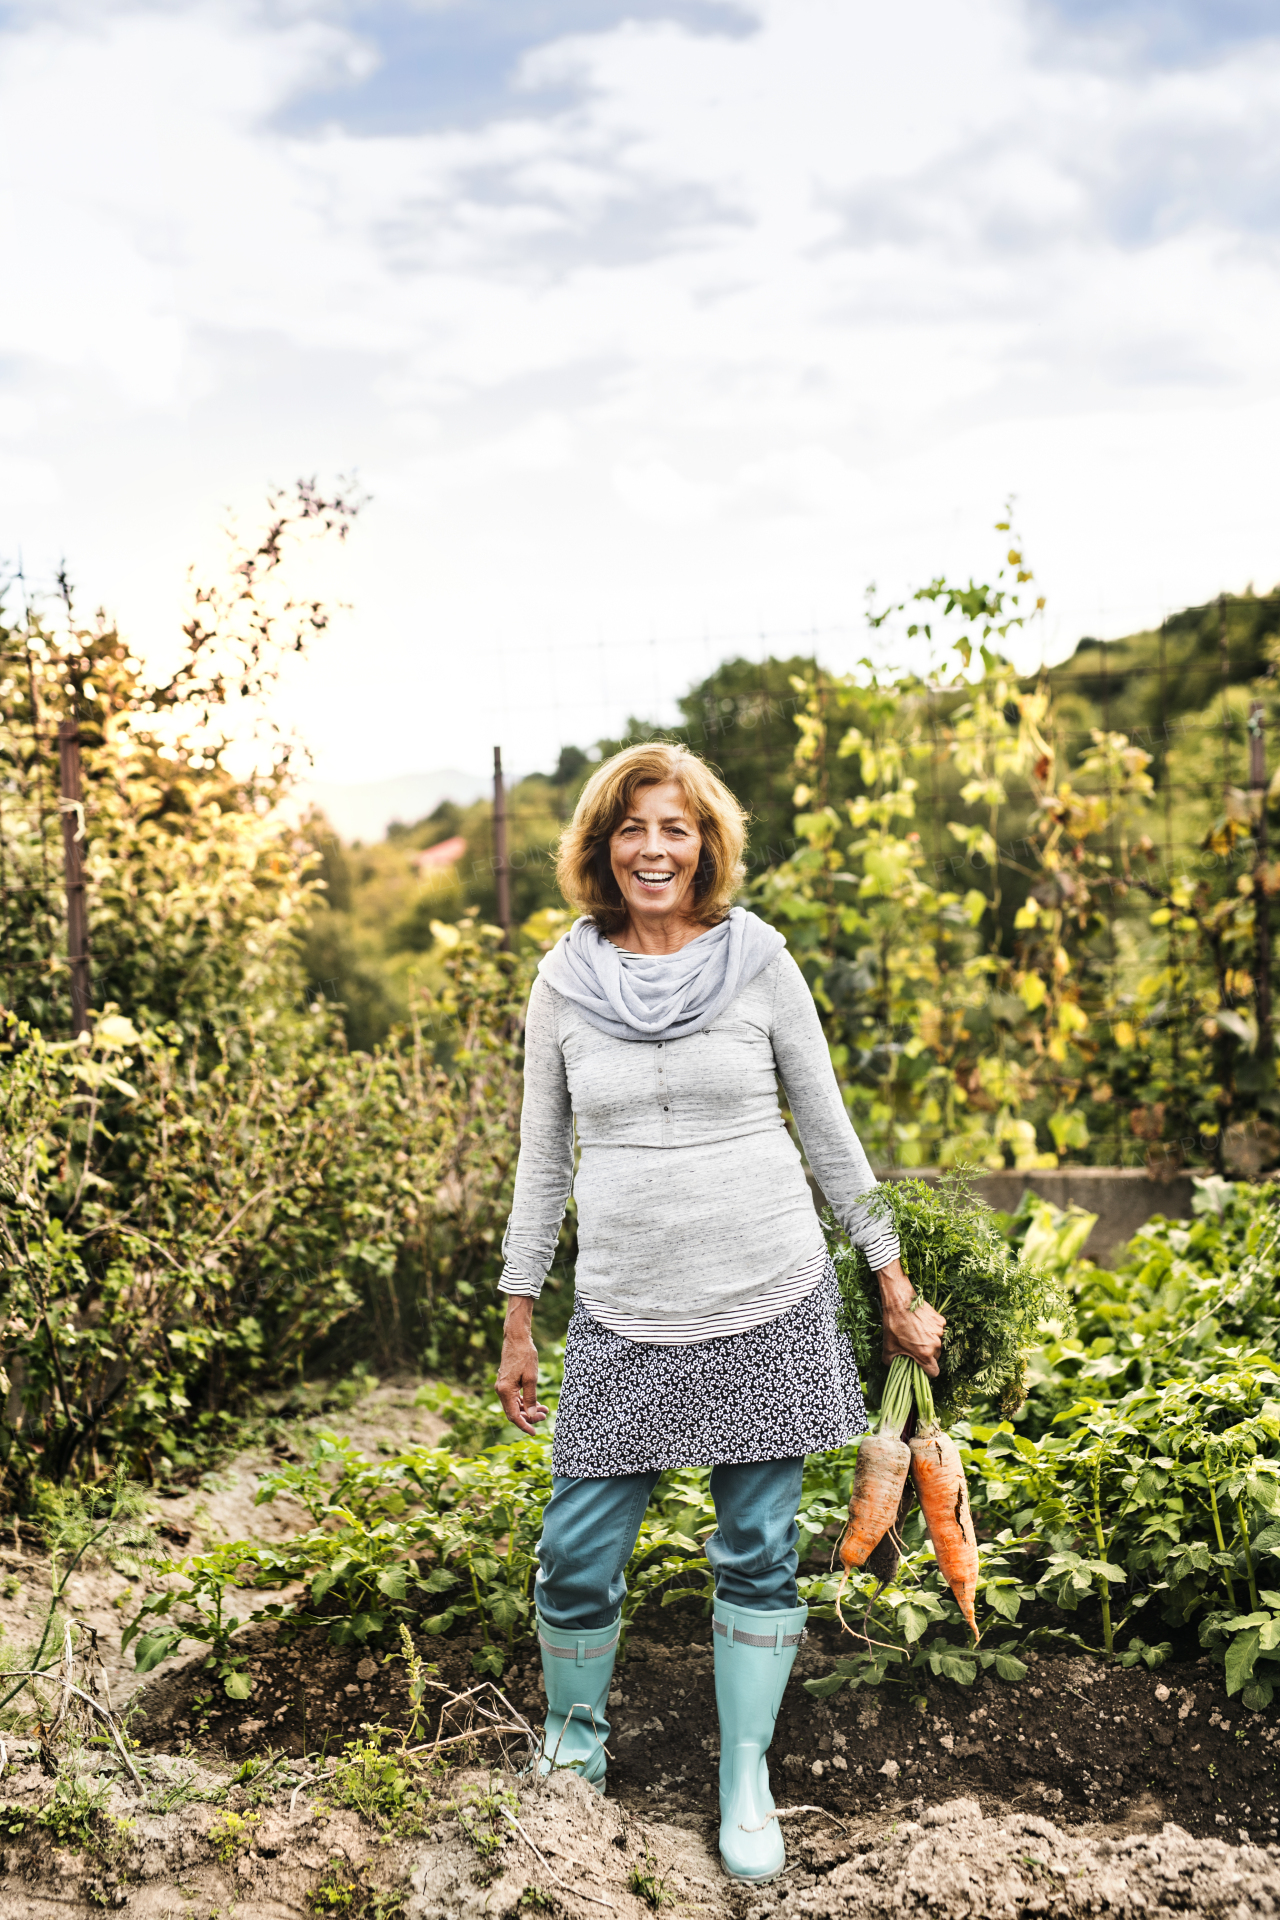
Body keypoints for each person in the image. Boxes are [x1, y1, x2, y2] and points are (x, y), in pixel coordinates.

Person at [495, 742, 944, 1883]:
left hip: (764, 1293)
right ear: (602, 847)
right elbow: (540, 1164)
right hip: (623, 1309)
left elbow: (828, 1132)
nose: (654, 849)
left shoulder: (757, 961)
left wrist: (890, 1279)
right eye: (632, 829)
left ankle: (744, 1774)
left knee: (754, 1549)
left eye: (676, 829)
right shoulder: (561, 981)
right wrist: (516, 1313)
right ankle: (572, 1749)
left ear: (706, 846)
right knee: (575, 1551)